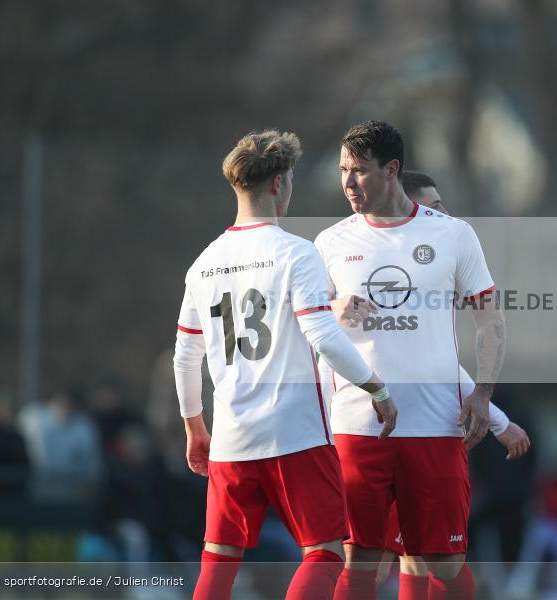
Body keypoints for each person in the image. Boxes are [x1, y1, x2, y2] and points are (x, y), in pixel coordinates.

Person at [173, 130, 397, 600]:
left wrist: (195, 427)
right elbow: (323, 335)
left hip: (232, 434)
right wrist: (376, 388)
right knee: (324, 552)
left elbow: (186, 355)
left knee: (219, 555)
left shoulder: (203, 264)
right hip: (294, 432)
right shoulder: (296, 252)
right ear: (278, 184)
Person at [314, 121, 506, 600]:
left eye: (359, 170)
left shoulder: (453, 235)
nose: (348, 182)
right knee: (360, 562)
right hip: (359, 426)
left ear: (392, 169)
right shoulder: (329, 242)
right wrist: (334, 308)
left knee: (445, 564)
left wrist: (482, 395)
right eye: (343, 170)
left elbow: (491, 323)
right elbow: (310, 327)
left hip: (436, 424)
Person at [370, 171, 531, 598]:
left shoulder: (429, 273)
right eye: (435, 206)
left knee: (420, 559)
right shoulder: (377, 270)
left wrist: (496, 418)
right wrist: (499, 423)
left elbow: (442, 362)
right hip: (376, 436)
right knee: (371, 563)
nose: (445, 215)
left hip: (422, 434)